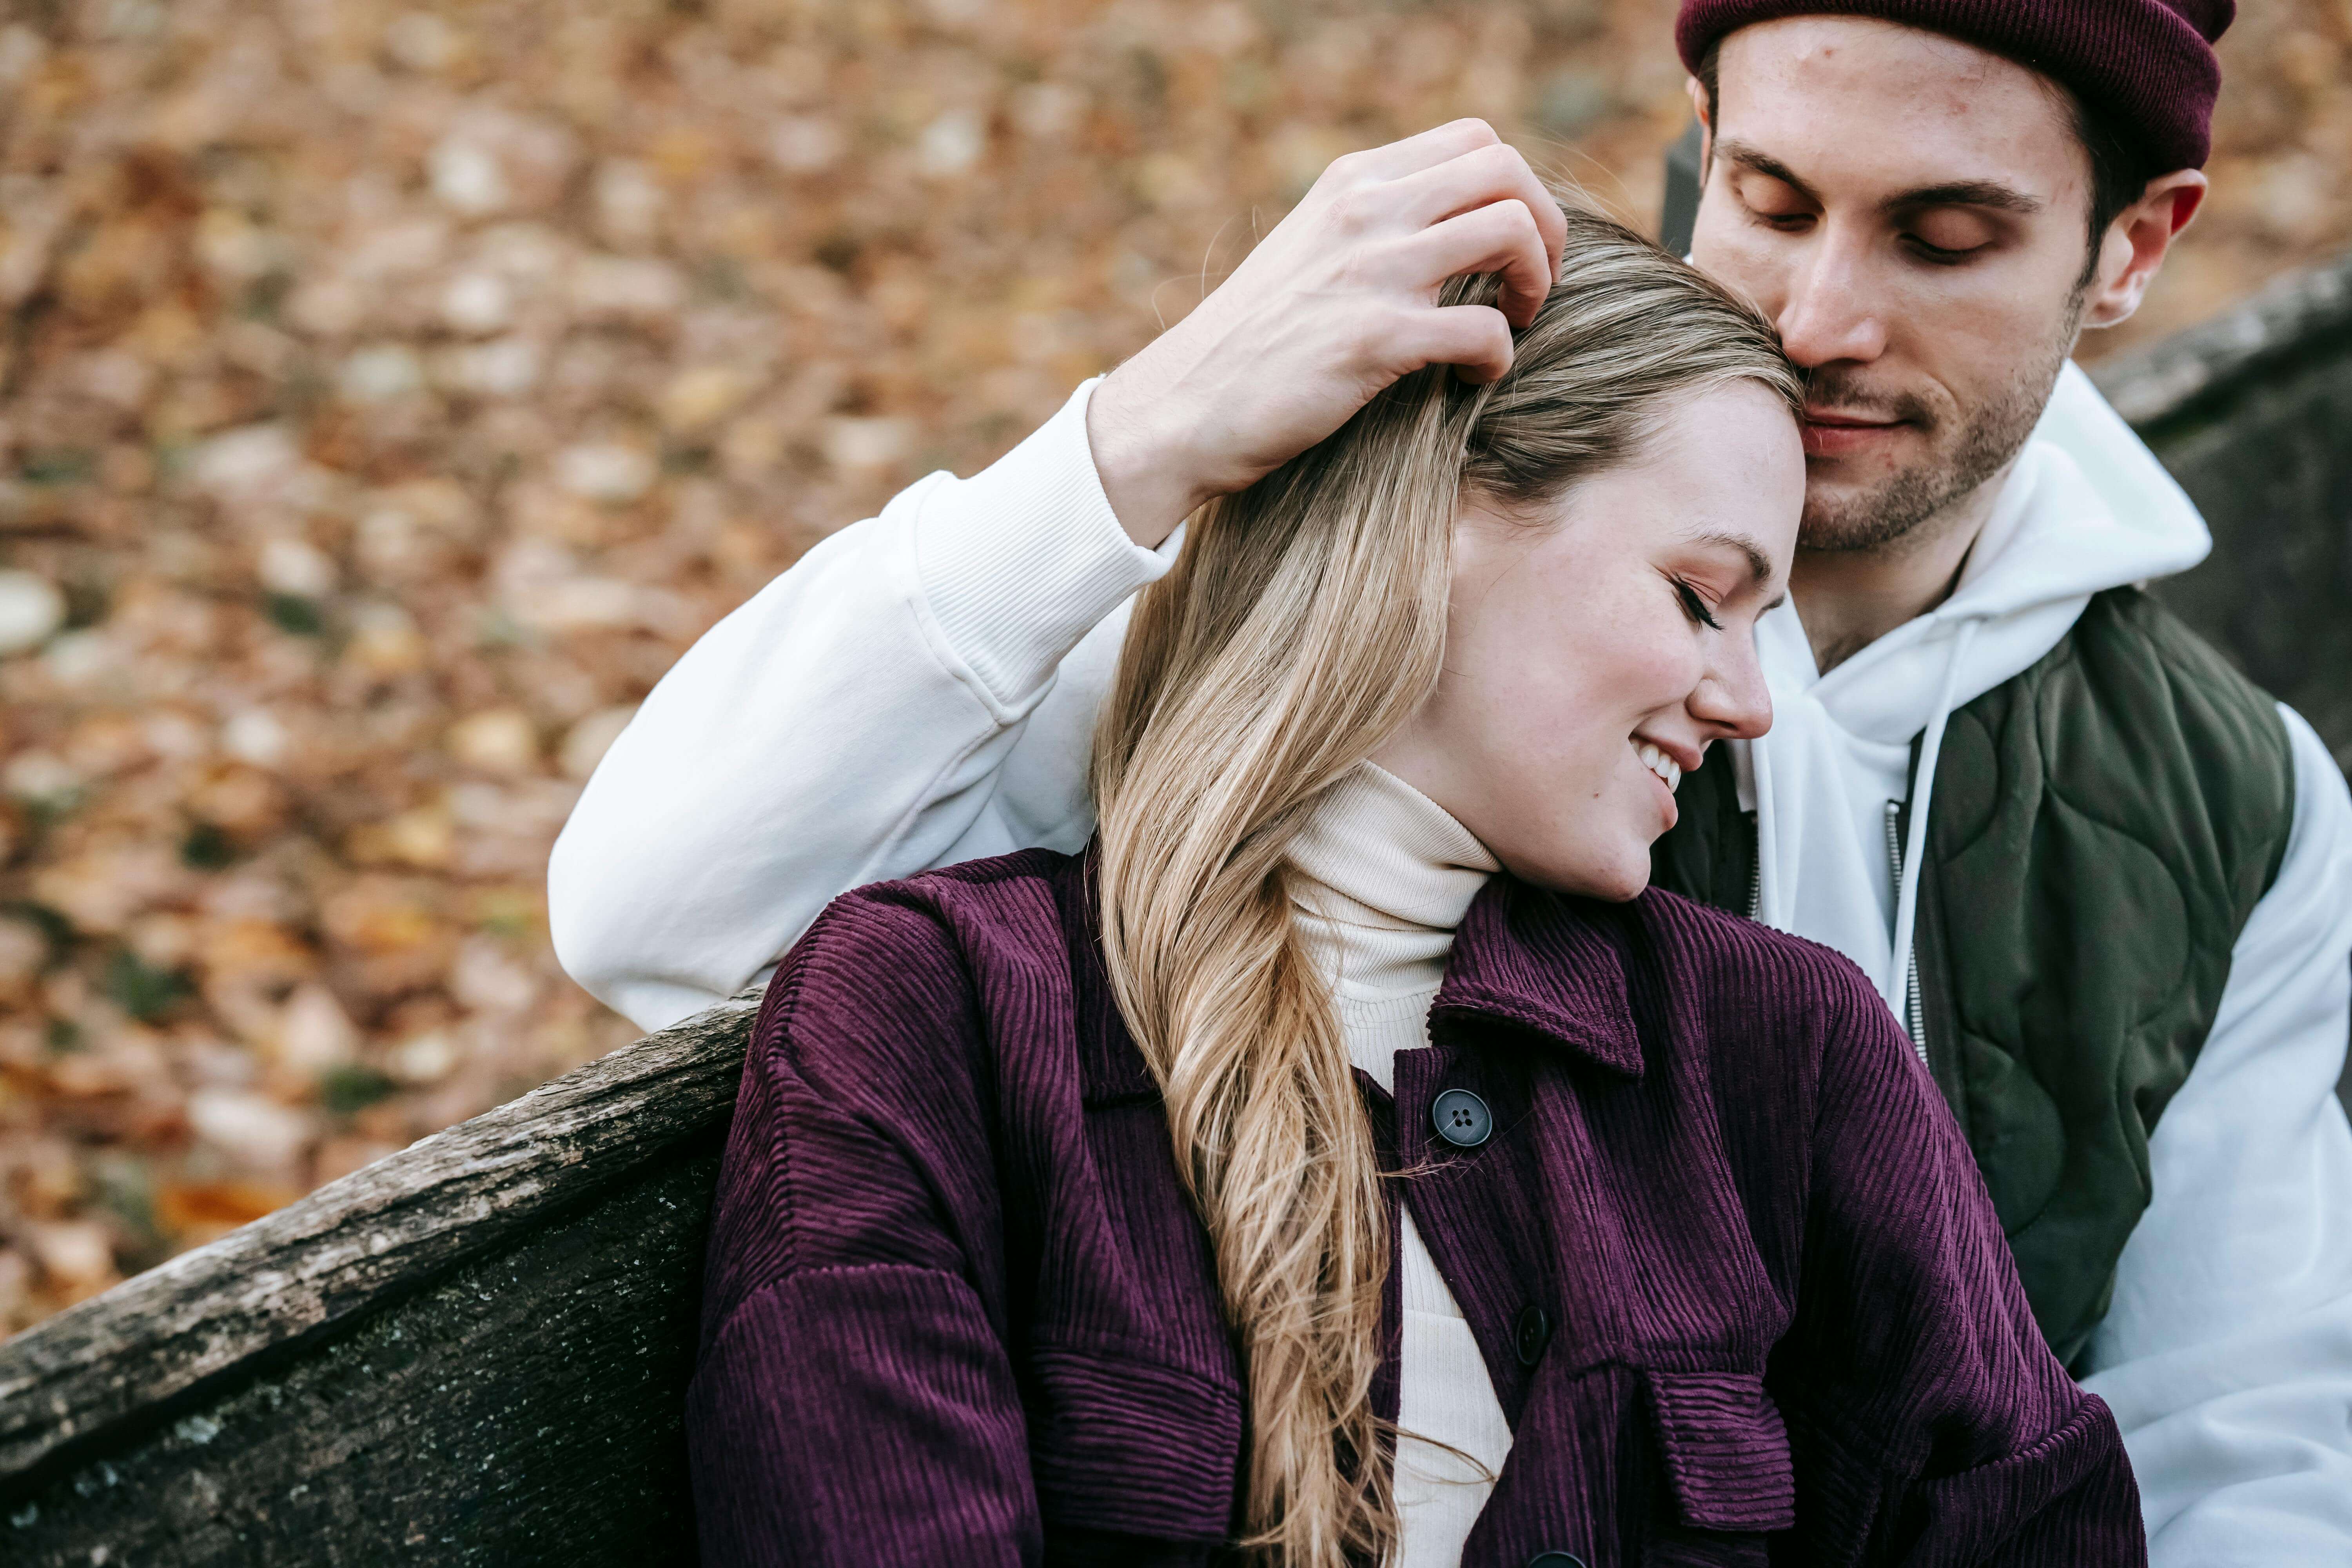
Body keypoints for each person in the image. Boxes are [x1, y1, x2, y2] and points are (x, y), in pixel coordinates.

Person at [554, 2, 2352, 1558]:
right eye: (1770, 199)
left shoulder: (2235, 808)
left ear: (2132, 247)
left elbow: (2239, 1445)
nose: (1815, 319)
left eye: (1945, 237)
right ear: (1703, 148)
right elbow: (659, 907)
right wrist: (1151, 426)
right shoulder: (1413, 610)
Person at [684, 214, 2143, 1566]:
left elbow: (2032, 1523)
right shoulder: (944, 1010)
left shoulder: (1781, 1051)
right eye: (1702, 596)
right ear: (1434, 510)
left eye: (1768, 627)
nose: (1749, 704)